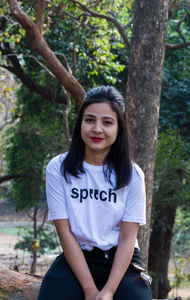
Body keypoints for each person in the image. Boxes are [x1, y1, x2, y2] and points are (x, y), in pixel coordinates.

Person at [37, 86, 152, 300]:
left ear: (119, 127)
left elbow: (128, 238)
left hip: (121, 261)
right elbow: (65, 233)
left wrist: (108, 291)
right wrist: (89, 290)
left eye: (107, 122)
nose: (97, 129)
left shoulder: (132, 174)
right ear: (80, 123)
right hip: (77, 257)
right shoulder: (58, 168)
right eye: (89, 120)